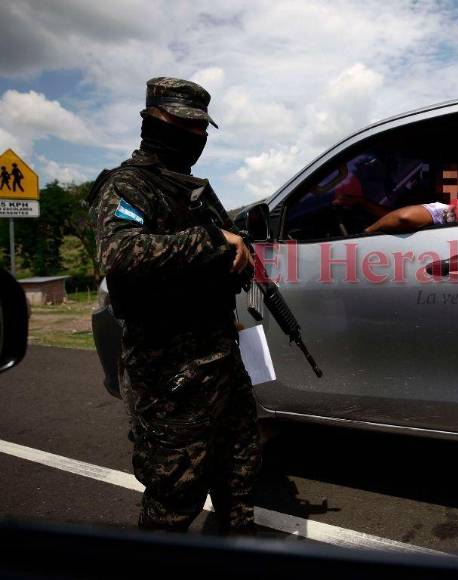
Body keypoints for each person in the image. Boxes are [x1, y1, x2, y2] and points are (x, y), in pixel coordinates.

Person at [89, 77, 262, 534]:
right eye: (182, 123)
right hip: (170, 370)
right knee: (175, 494)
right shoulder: (127, 185)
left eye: (201, 127)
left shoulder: (195, 190)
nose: (194, 136)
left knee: (239, 478)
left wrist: (236, 255)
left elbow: (228, 253)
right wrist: (209, 241)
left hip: (221, 357)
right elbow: (120, 253)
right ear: (151, 120)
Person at [361, 163, 458, 234]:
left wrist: (368, 233)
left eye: (453, 181)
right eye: (443, 182)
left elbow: (404, 217)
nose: (447, 188)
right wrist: (362, 202)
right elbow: (391, 217)